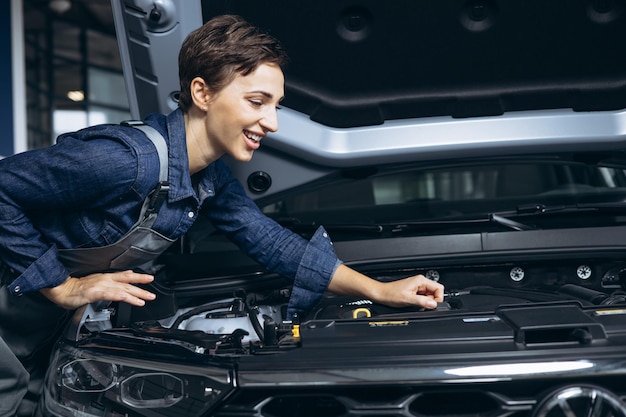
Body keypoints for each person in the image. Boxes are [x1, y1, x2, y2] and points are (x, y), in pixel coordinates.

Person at [0, 14, 444, 416]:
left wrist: (381, 290)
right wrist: (61, 285)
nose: (272, 122)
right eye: (257, 101)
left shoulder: (209, 178)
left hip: (37, 321)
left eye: (277, 105)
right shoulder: (126, 161)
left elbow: (271, 242)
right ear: (202, 92)